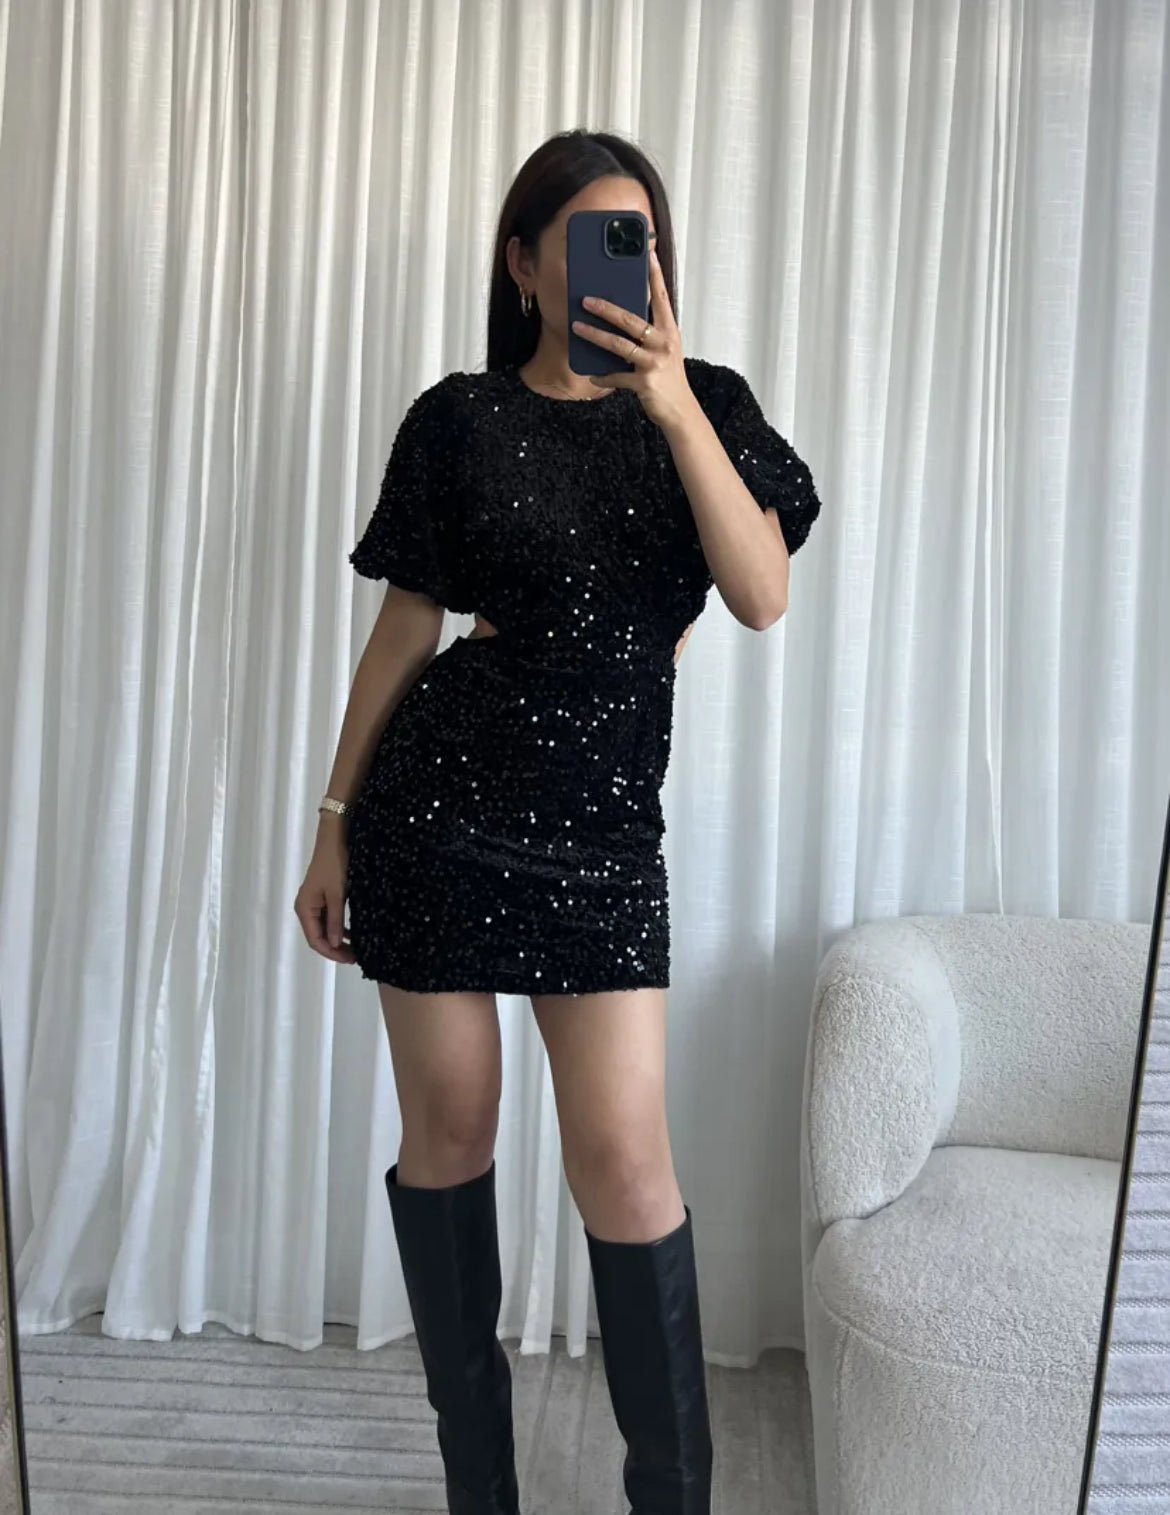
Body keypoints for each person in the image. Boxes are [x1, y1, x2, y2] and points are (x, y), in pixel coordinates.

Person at [295, 128, 821, 1515]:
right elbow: (406, 627)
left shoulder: (707, 406)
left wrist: (670, 405)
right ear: (523, 263)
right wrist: (335, 820)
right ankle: (482, 1492)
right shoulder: (457, 420)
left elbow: (761, 595)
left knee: (626, 1166)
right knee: (452, 1135)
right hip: (438, 820)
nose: (616, 265)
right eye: (589, 239)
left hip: (601, 846)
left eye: (637, 240)